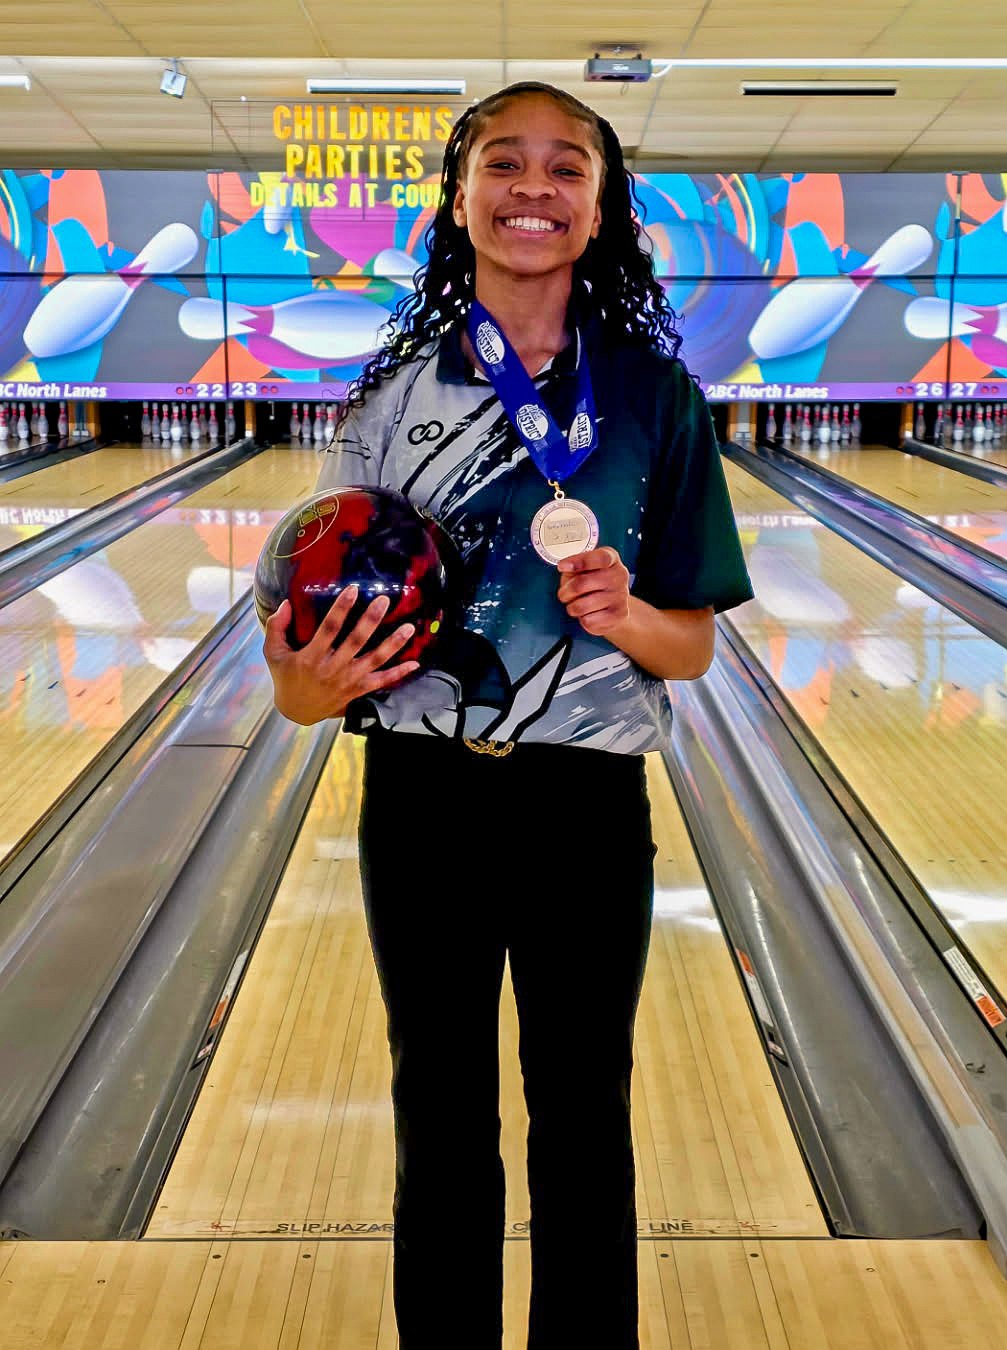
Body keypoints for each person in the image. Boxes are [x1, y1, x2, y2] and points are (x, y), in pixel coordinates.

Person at [263, 81, 752, 1350]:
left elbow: (690, 647)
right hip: (423, 799)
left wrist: (623, 615)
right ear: (462, 194)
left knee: (584, 1113)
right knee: (440, 1110)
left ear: (601, 208)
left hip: (586, 804)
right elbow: (303, 662)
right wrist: (303, 690)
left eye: (566, 167)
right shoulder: (387, 402)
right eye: (504, 161)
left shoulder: (654, 402)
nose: (534, 187)